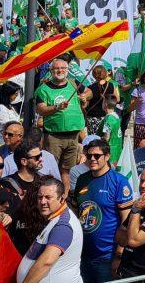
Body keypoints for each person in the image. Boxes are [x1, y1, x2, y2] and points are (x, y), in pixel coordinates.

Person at [73, 139, 134, 283]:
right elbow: (77, 211)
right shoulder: (82, 179)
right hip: (82, 254)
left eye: (97, 156)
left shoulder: (119, 181)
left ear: (107, 157)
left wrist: (119, 254)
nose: (92, 159)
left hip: (106, 257)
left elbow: (127, 221)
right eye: (89, 156)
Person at [36, 58, 89, 191]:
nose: (60, 71)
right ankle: (51, 194)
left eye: (63, 68)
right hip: (54, 136)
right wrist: (56, 107)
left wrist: (85, 96)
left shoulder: (73, 83)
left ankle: (66, 196)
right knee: (51, 169)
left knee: (67, 170)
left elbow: (89, 91)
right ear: (51, 71)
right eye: (56, 68)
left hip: (73, 135)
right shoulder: (44, 89)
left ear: (67, 70)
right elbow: (40, 109)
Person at [17, 177, 84, 283]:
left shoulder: (63, 226)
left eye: (48, 197)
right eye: (40, 197)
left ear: (61, 199)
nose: (43, 202)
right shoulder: (55, 218)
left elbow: (46, 262)